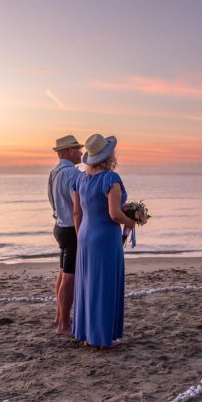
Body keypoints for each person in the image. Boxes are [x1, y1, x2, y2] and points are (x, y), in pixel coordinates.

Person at [71, 134, 136, 347]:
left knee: (87, 284)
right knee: (104, 285)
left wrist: (81, 235)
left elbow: (76, 213)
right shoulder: (111, 179)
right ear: (109, 156)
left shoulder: (80, 179)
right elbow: (114, 214)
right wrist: (130, 222)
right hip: (105, 238)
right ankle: (102, 337)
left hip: (84, 236)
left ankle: (88, 335)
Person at [48, 135, 84, 335]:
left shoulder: (54, 173)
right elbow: (80, 206)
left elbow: (52, 201)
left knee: (63, 271)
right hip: (71, 228)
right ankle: (64, 325)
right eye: (77, 149)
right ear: (69, 151)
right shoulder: (73, 174)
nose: (80, 152)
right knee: (69, 276)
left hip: (60, 227)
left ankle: (59, 315)